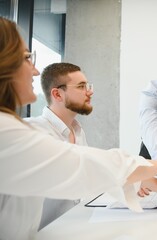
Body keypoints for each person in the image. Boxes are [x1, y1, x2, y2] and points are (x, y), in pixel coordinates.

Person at [0, 17, 157, 240]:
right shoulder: (22, 132)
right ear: (57, 94)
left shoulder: (77, 131)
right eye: (27, 58)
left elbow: (88, 175)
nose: (35, 70)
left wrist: (151, 182)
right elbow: (82, 166)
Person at [24, 62, 93, 229]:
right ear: (57, 94)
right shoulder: (34, 131)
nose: (89, 92)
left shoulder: (77, 131)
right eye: (81, 86)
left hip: (73, 227)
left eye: (88, 85)